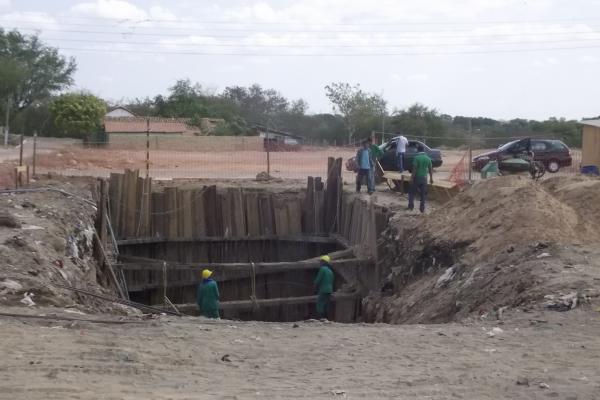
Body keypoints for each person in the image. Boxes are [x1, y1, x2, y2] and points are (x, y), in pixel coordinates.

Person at [408, 145, 433, 213]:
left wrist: (411, 178)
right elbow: (430, 169)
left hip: (417, 178)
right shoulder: (428, 158)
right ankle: (422, 208)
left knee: (411, 192)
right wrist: (431, 178)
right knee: (423, 194)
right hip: (424, 178)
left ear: (418, 150)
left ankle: (411, 207)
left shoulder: (416, 158)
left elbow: (414, 169)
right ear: (424, 150)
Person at [314, 255, 334, 319]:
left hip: (323, 290)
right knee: (326, 304)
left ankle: (320, 318)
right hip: (329, 290)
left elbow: (318, 280)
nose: (320, 263)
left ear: (324, 262)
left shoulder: (322, 269)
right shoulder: (330, 271)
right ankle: (326, 318)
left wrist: (314, 286)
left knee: (320, 304)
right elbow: (332, 281)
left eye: (321, 261)